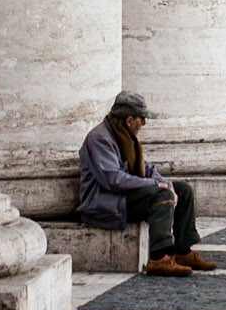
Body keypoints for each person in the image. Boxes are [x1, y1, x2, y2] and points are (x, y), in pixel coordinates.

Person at [76, 91, 217, 277]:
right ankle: (159, 258)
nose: (143, 124)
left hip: (124, 196)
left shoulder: (125, 137)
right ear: (129, 120)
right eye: (141, 120)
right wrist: (156, 186)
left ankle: (182, 251)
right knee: (162, 195)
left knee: (183, 190)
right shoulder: (100, 138)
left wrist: (165, 183)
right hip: (105, 202)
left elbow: (147, 168)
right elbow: (113, 180)